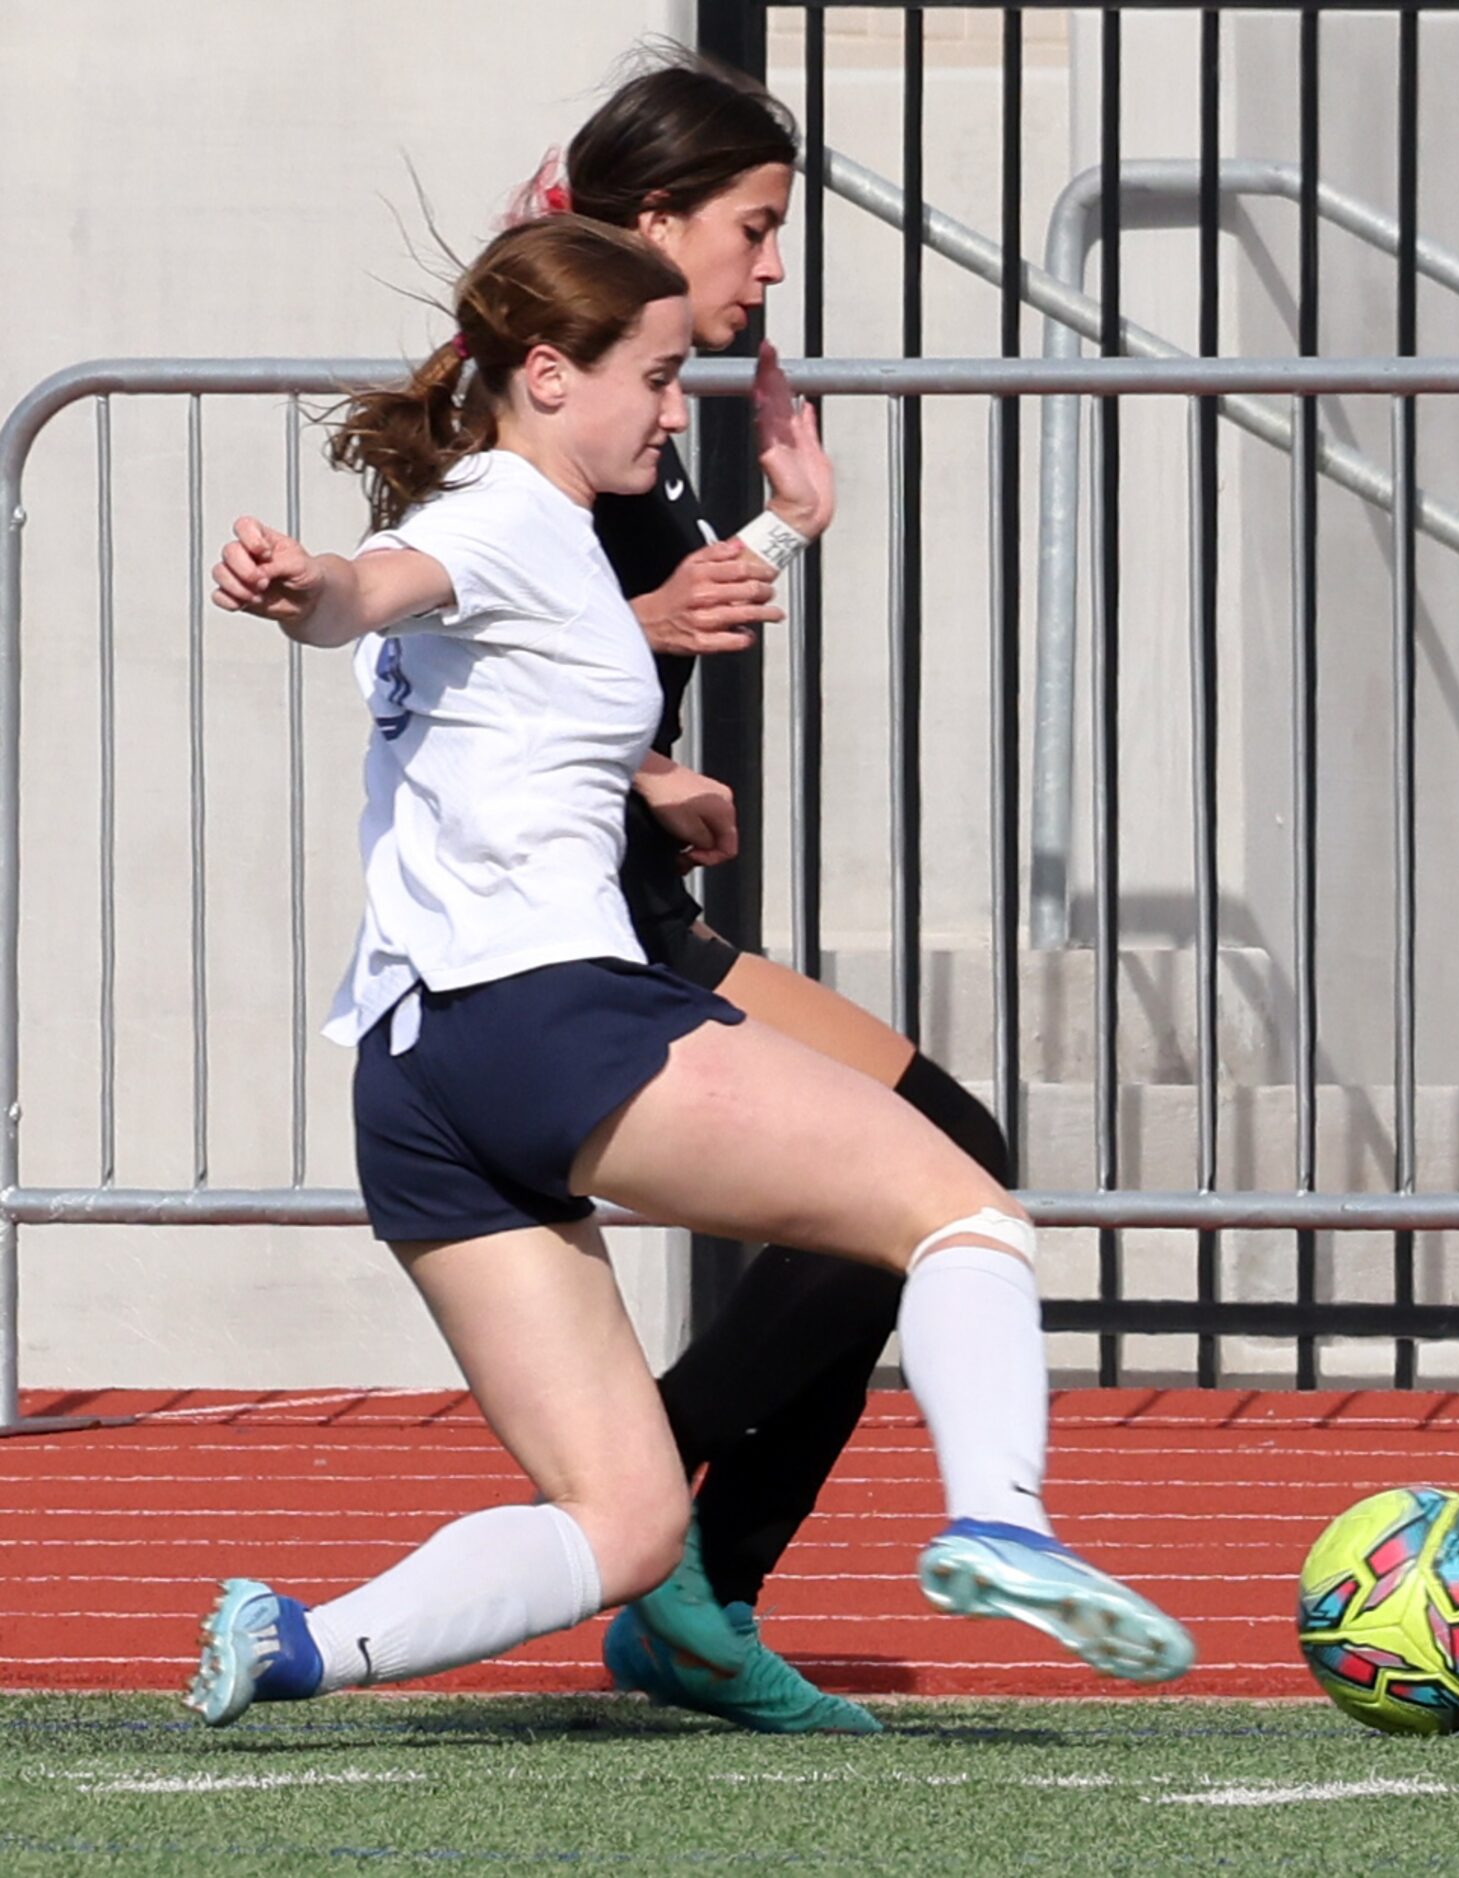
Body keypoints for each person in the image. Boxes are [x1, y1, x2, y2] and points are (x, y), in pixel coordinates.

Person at [184, 212, 1193, 1729]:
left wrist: (652, 763)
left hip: (412, 1080)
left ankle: (297, 1643)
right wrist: (308, 586)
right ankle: (998, 1516)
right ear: (544, 372)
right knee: (963, 1207)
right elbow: (377, 585)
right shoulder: (510, 518)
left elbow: (519, 688)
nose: (675, 408)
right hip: (552, 1021)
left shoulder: (520, 523)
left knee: (625, 1519)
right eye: (657, 377)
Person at [525, 52, 1027, 1738]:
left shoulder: (648, 390)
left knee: (948, 1153)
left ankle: (701, 1584)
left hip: (644, 902)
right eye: (754, 225)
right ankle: (657, 1503)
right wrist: (631, 753)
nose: (774, 264)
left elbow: (650, 611)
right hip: (560, 938)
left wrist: (786, 527)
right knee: (930, 1177)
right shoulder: (545, 397)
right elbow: (444, 654)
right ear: (654, 219)